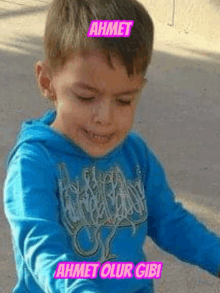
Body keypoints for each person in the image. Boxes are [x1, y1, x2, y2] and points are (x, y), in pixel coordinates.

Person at [3, 0, 220, 292]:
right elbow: (41, 248)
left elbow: (172, 222)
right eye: (85, 97)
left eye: (124, 100)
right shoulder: (33, 163)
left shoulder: (135, 154)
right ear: (47, 81)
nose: (104, 118)